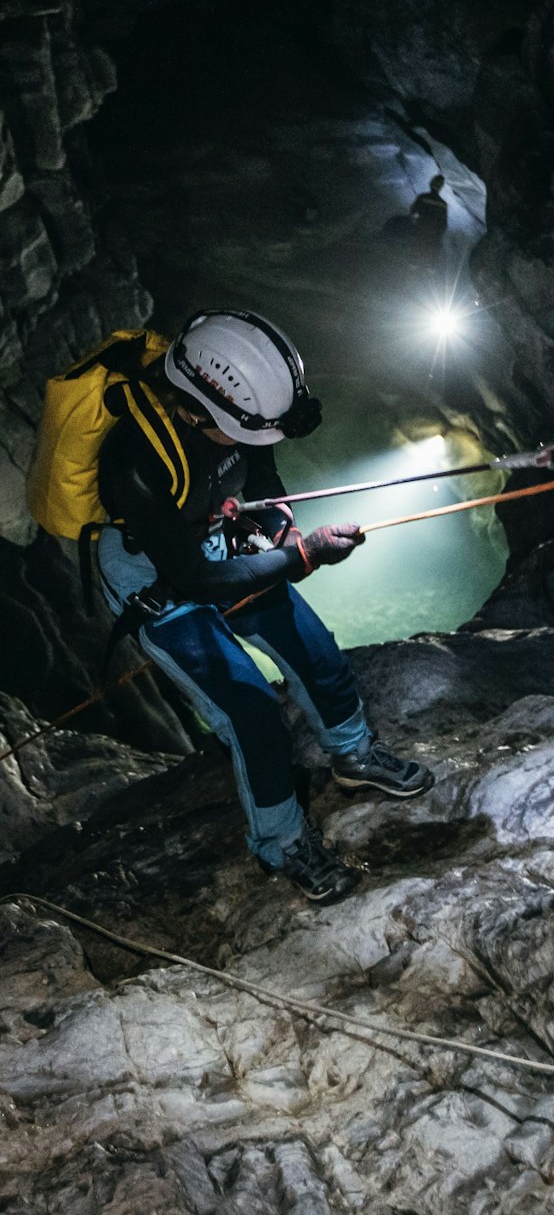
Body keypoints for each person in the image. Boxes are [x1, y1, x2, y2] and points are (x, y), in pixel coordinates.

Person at [95, 308, 434, 906]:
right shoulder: (134, 460)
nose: (258, 440)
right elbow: (196, 579)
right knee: (250, 708)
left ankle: (352, 754)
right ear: (200, 409)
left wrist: (278, 522)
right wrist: (302, 556)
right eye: (248, 431)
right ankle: (281, 840)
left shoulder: (238, 419)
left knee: (313, 646)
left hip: (213, 541)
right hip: (160, 579)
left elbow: (262, 476)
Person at [409, 174, 448, 262]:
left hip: (421, 230)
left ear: (431, 184)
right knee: (430, 258)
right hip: (434, 236)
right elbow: (444, 224)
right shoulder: (443, 204)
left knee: (416, 256)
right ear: (440, 187)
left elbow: (413, 212)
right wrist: (439, 234)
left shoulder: (422, 198)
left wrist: (416, 222)